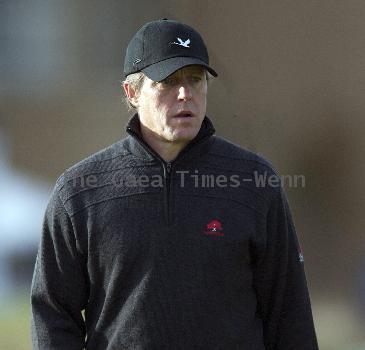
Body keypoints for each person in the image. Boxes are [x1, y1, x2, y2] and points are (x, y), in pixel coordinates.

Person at [31, 19, 319, 349]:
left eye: (195, 80)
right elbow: (53, 317)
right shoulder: (79, 192)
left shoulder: (255, 182)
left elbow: (289, 315)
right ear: (132, 92)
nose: (185, 94)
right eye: (168, 82)